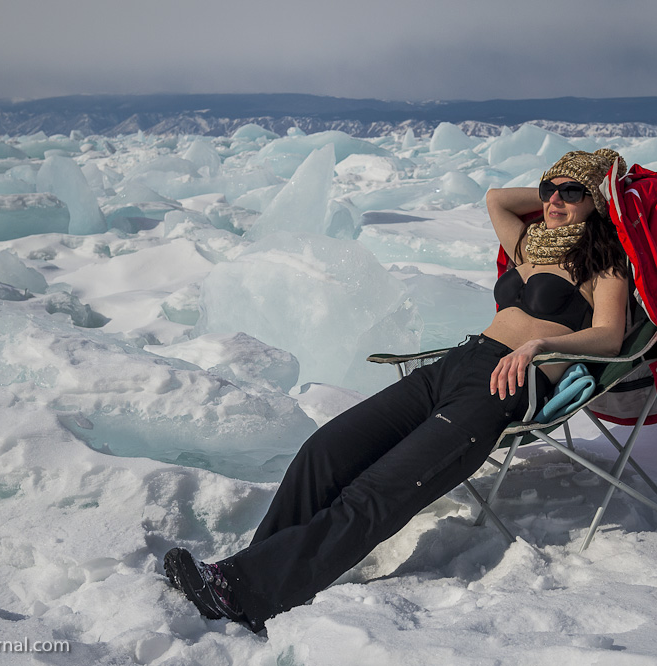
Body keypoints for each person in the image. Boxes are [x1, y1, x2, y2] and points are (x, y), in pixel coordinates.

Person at [163, 149, 632, 633]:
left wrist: (540, 344)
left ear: (595, 200)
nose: (554, 200)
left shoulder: (603, 266)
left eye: (571, 192)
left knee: (377, 492)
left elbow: (609, 336)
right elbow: (496, 199)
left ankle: (244, 591)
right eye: (548, 190)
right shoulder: (532, 243)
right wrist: (558, 192)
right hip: (457, 364)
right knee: (323, 451)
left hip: (504, 386)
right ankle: (249, 572)